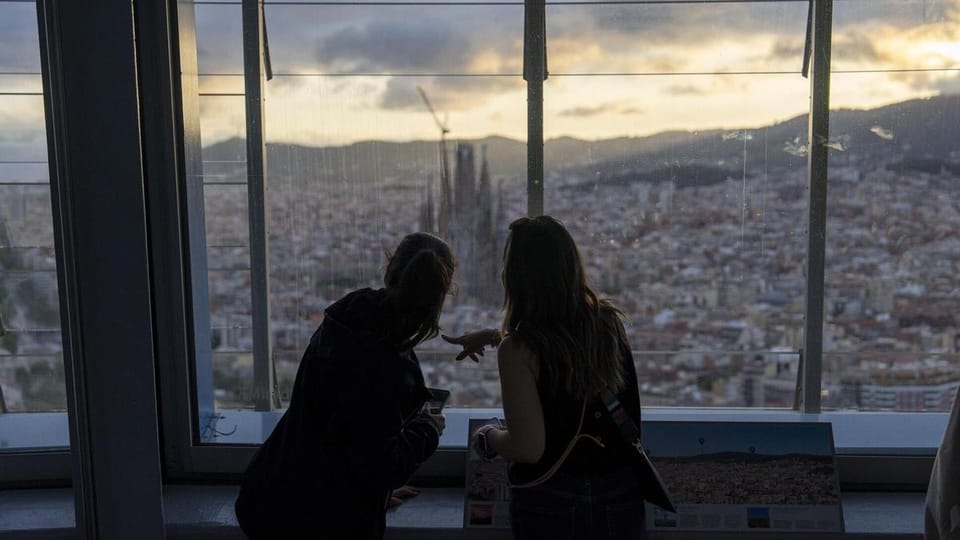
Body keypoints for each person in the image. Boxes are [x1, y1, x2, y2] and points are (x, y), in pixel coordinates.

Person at [235, 232, 455, 539]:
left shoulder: (346, 318)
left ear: (390, 269)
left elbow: (342, 433)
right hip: (321, 521)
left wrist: (373, 493)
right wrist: (429, 428)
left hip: (273, 492)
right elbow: (382, 461)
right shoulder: (385, 363)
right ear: (440, 296)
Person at [444, 215, 647, 540]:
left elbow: (528, 448)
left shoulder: (517, 351)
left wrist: (489, 436)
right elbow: (564, 344)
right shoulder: (608, 324)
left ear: (515, 278)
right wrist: (497, 336)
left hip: (553, 503)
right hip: (620, 494)